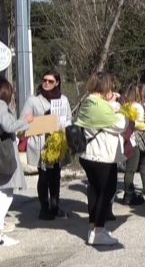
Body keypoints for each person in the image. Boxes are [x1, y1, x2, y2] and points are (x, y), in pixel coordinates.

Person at [76, 72, 127, 246]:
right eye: (111, 87)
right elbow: (120, 125)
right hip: (101, 156)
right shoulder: (97, 104)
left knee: (95, 192)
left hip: (90, 155)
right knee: (106, 193)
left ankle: (93, 229)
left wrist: (113, 104)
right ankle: (98, 232)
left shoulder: (89, 101)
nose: (112, 90)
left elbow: (106, 112)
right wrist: (123, 111)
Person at [22, 69, 71, 220]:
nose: (47, 83)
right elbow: (23, 121)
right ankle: (44, 208)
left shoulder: (63, 100)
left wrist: (62, 124)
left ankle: (55, 206)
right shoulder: (33, 100)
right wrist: (35, 122)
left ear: (57, 83)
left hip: (57, 143)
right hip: (41, 143)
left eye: (50, 81)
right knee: (43, 176)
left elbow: (69, 118)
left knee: (56, 175)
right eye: (44, 80)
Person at [0, 79, 33, 247]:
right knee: (6, 193)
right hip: (3, 155)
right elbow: (8, 125)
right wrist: (25, 121)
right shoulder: (0, 105)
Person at [120, 84, 145, 206]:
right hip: (134, 141)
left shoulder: (124, 107)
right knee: (131, 169)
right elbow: (138, 124)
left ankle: (128, 194)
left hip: (124, 140)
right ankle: (128, 195)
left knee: (130, 169)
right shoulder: (138, 107)